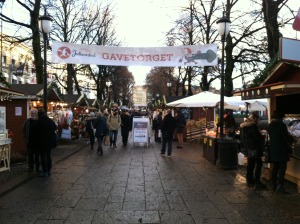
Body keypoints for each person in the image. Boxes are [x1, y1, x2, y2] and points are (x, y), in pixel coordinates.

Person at [268, 111, 292, 194]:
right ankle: (280, 186)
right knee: (282, 167)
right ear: (281, 117)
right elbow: (285, 138)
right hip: (281, 149)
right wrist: (291, 138)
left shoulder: (270, 125)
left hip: (273, 149)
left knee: (275, 167)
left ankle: (273, 184)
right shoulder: (282, 125)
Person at [240, 113, 266, 189]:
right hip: (255, 148)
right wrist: (262, 136)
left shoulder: (244, 127)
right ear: (255, 119)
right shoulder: (253, 127)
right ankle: (257, 182)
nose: (259, 120)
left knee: (250, 164)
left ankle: (250, 180)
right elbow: (257, 138)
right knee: (259, 164)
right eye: (258, 119)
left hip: (249, 148)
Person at [35, 110, 57, 177]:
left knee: (43, 156)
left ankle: (44, 171)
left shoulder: (38, 122)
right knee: (48, 155)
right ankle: (49, 170)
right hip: (50, 142)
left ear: (39, 115)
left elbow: (36, 132)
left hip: (42, 142)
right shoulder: (50, 121)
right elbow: (55, 127)